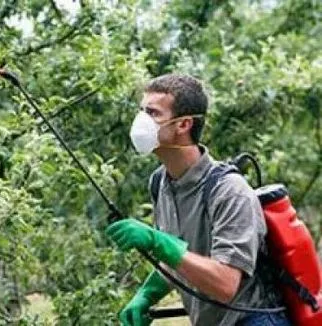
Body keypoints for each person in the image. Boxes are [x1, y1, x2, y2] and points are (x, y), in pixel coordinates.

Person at [106, 74, 291, 326]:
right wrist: (146, 294)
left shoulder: (230, 190)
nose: (141, 121)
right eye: (142, 110)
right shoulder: (160, 182)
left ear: (184, 125)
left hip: (252, 320)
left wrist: (156, 241)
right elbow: (181, 258)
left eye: (153, 113)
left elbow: (226, 284)